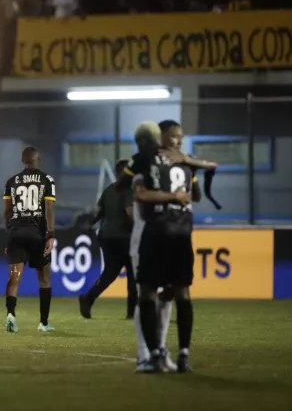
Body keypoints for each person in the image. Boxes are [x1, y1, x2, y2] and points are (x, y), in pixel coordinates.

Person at [127, 120, 214, 374]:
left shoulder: (155, 161)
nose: (178, 141)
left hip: (159, 233)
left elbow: (141, 195)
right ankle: (146, 354)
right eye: (173, 136)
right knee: (154, 294)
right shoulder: (162, 160)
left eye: (180, 136)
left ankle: (159, 352)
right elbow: (140, 196)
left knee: (161, 296)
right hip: (153, 233)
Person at [2, 147, 57, 333]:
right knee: (44, 279)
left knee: (14, 278)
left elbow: (7, 211)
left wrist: (9, 232)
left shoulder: (12, 181)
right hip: (37, 234)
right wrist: (50, 234)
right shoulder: (46, 180)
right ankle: (43, 323)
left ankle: (11, 315)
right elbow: (48, 207)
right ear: (38, 159)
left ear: (22, 161)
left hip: (16, 233)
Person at [79, 159, 137, 320]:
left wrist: (91, 225)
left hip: (106, 236)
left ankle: (88, 297)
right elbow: (130, 213)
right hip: (124, 237)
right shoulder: (128, 190)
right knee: (133, 273)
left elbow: (99, 213)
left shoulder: (109, 190)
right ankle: (132, 312)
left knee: (110, 273)